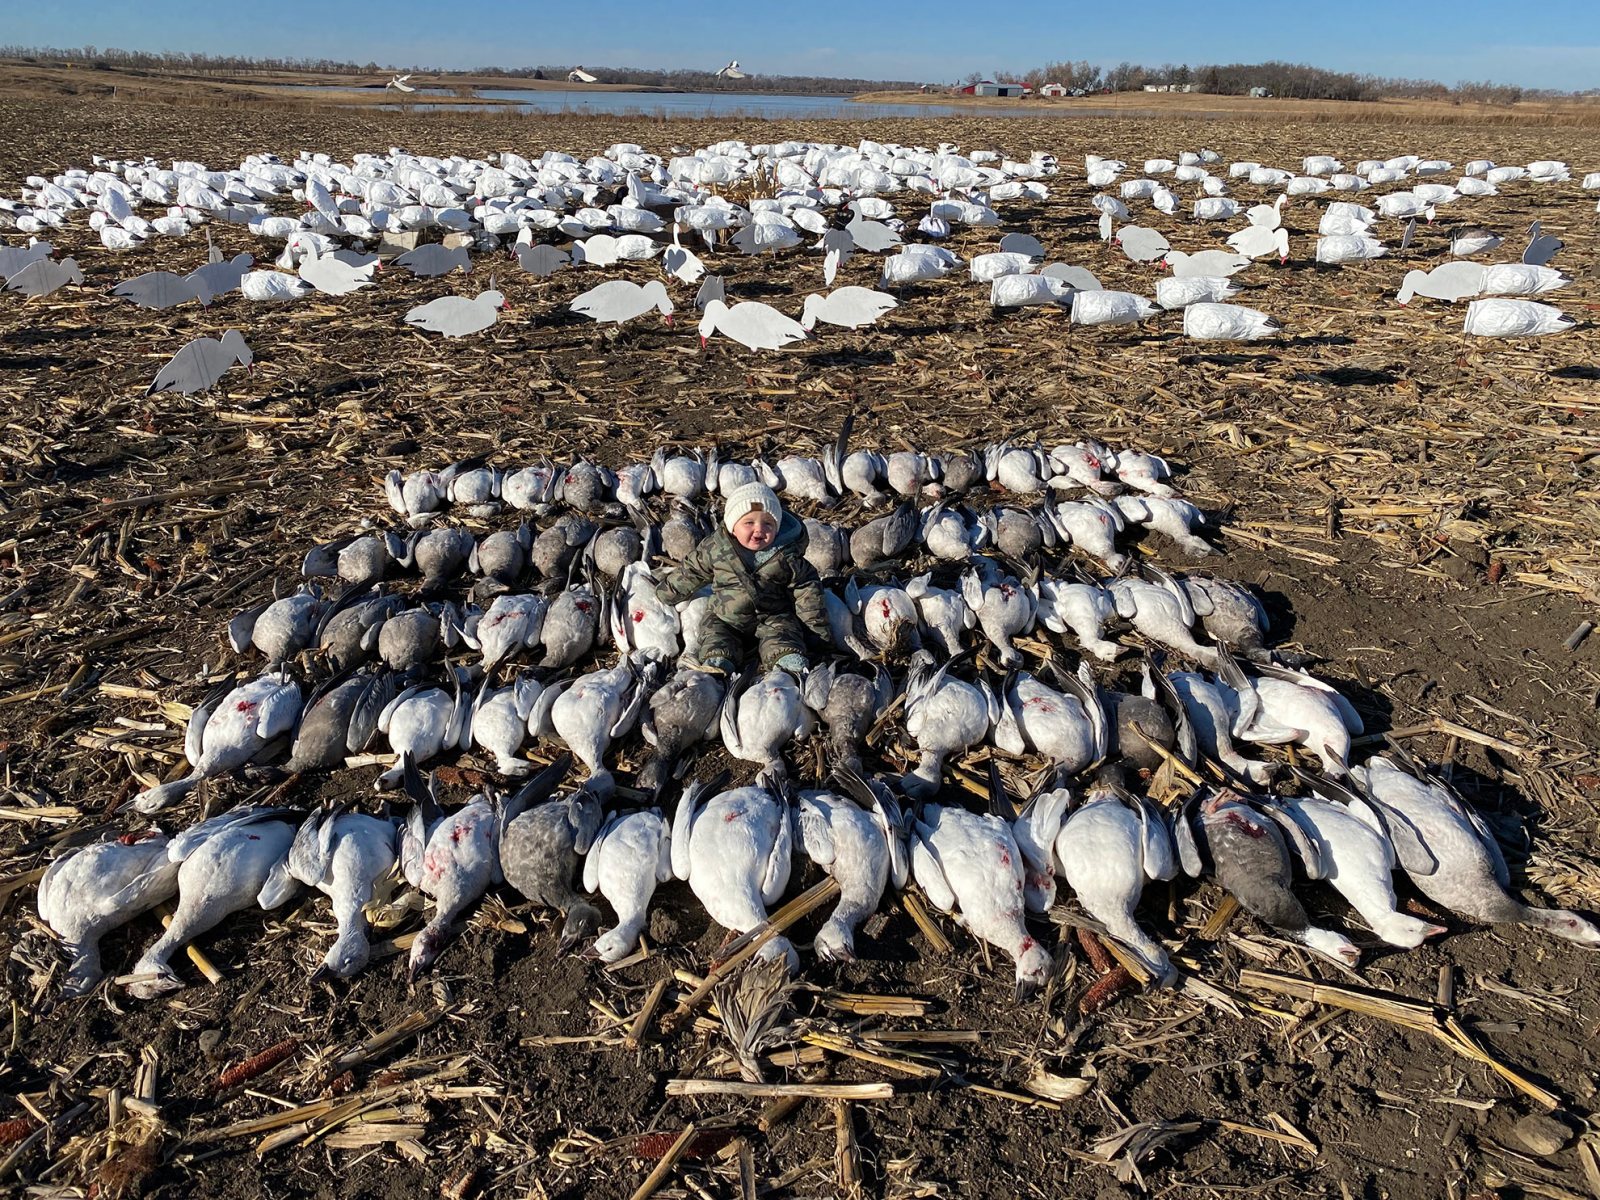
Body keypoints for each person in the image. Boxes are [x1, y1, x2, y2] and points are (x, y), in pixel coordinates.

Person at [655, 482, 830, 676]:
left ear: (777, 528)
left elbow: (808, 589)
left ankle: (786, 661)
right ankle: (719, 662)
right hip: (726, 616)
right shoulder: (715, 548)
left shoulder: (787, 556)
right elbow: (693, 570)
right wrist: (667, 592)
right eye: (749, 522)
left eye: (768, 523)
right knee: (715, 634)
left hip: (773, 616)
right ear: (732, 526)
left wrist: (815, 631)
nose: (759, 529)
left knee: (785, 635)